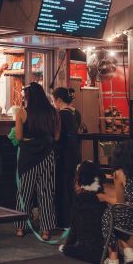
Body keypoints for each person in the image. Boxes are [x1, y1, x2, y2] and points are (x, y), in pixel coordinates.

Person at [14, 82, 60, 241]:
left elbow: (18, 137)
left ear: (28, 97)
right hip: (47, 156)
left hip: (27, 157)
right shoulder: (53, 112)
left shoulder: (21, 113)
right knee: (46, 193)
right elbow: (57, 137)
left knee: (24, 192)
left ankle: (20, 227)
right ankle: (46, 230)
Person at [61, 160, 109, 264]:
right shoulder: (101, 198)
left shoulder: (80, 200)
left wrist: (68, 246)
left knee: (68, 249)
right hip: (104, 252)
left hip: (87, 253)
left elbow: (74, 228)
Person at [52, 87, 81, 228]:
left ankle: (64, 220)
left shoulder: (61, 115)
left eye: (53, 100)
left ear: (58, 100)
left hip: (63, 156)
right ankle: (74, 219)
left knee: (62, 187)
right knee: (71, 187)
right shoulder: (76, 113)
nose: (53, 103)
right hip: (74, 154)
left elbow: (57, 137)